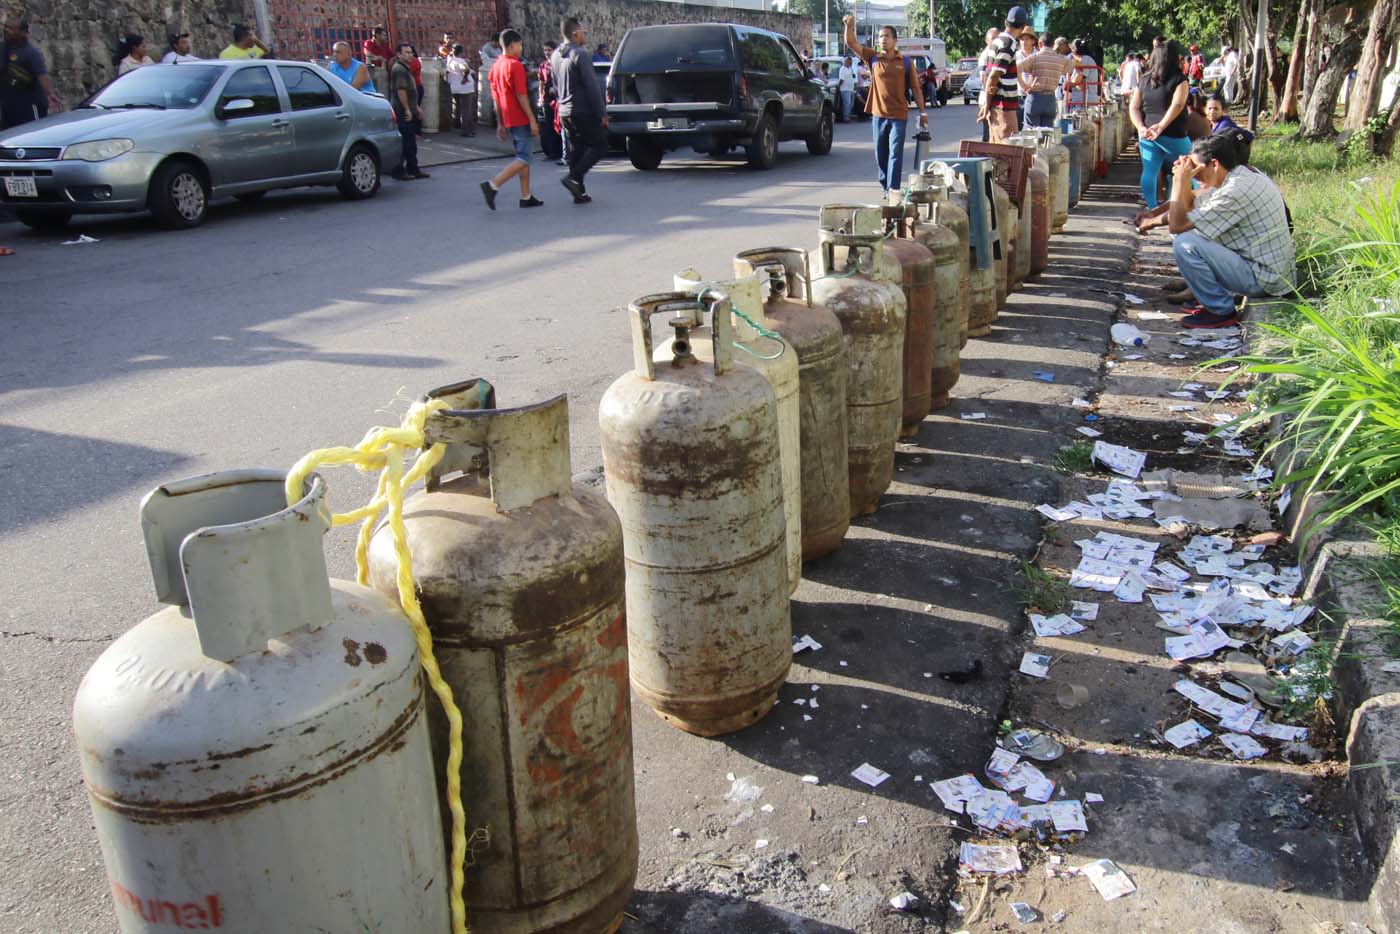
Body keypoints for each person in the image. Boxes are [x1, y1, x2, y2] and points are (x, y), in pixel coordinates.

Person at [1162, 134, 1294, 327]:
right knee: (1192, 232)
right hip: (1269, 271)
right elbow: (1188, 207)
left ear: (1214, 164)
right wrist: (1183, 177)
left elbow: (1177, 224)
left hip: (1265, 280)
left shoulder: (1234, 191)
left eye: (1197, 172)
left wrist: (1179, 180)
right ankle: (1213, 298)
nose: (1195, 178)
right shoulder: (1239, 175)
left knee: (1185, 243)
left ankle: (1220, 310)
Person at [842, 14, 928, 195]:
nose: (883, 39)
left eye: (887, 36)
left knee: (895, 154)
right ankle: (885, 184)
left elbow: (916, 88)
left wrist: (922, 113)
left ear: (895, 40)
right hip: (878, 115)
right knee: (881, 155)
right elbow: (851, 43)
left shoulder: (905, 62)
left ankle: (893, 189)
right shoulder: (872, 58)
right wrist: (849, 25)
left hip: (899, 115)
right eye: (880, 36)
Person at [481, 29, 541, 210]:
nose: (521, 48)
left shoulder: (496, 67)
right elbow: (522, 95)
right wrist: (532, 120)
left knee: (523, 157)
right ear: (512, 45)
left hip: (508, 117)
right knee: (524, 157)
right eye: (520, 45)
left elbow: (496, 98)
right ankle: (493, 185)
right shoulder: (514, 65)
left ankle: (526, 195)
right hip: (520, 117)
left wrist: (500, 123)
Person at [1131, 39, 1191, 208]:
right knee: (1191, 168)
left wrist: (1141, 128)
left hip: (1148, 135)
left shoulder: (1143, 80)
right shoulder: (1180, 79)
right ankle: (1192, 204)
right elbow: (1177, 105)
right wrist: (1162, 126)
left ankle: (1152, 207)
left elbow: (1134, 108)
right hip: (1174, 134)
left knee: (1149, 171)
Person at [554, 18, 607, 205]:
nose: (584, 35)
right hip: (582, 110)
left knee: (577, 149)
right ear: (575, 34)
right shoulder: (580, 54)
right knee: (600, 146)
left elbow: (555, 84)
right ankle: (574, 177)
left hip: (564, 111)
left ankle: (579, 191)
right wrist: (602, 113)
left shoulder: (555, 55)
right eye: (583, 31)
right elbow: (591, 87)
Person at [1, 15, 61, 130]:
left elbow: (42, 76)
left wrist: (50, 94)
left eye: (11, 28)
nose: (6, 30)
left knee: (32, 136)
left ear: (23, 32)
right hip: (8, 108)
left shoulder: (31, 53)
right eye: (5, 27)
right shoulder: (2, 49)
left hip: (30, 107)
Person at [980, 7, 1029, 143]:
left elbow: (988, 74)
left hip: (997, 106)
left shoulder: (996, 42)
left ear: (1005, 22)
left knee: (996, 150)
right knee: (1007, 152)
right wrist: (986, 105)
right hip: (1004, 107)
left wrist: (987, 103)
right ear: (1023, 27)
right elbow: (994, 75)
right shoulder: (1009, 44)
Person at [388, 42, 428, 180]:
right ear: (399, 54)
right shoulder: (399, 69)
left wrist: (415, 107)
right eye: (406, 52)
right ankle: (399, 170)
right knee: (405, 142)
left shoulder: (406, 68)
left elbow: (411, 91)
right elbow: (401, 91)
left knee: (410, 141)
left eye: (411, 52)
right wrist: (407, 109)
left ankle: (413, 168)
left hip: (409, 108)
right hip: (402, 111)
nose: (410, 55)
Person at [1018, 35, 1070, 128]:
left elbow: (1016, 69)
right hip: (1050, 99)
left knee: (1031, 132)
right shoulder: (1060, 59)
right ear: (1053, 44)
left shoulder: (1035, 57)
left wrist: (1025, 86)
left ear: (1040, 44)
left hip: (1035, 98)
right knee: (1047, 134)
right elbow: (1075, 63)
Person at [445, 43, 476, 134]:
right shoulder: (461, 61)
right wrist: (465, 78)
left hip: (454, 87)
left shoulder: (450, 60)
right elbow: (465, 69)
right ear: (462, 52)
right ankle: (466, 130)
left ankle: (456, 124)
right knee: (466, 110)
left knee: (457, 107)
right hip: (465, 89)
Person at [536, 40, 560, 158]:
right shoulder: (543, 66)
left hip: (558, 100)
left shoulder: (559, 64)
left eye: (549, 50)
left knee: (558, 126)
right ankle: (551, 152)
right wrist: (540, 97)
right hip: (547, 100)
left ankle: (560, 152)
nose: (547, 52)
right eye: (545, 50)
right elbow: (541, 82)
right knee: (548, 126)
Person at [1064, 38, 1100, 110]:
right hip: (1083, 99)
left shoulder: (1084, 59)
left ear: (1073, 50)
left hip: (1085, 99)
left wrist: (1070, 82)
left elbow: (1078, 81)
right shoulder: (1085, 60)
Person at [835, 55, 857, 122]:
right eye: (848, 62)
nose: (850, 63)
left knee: (851, 104)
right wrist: (838, 87)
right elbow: (841, 79)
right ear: (845, 62)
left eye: (851, 62)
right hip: (845, 89)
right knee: (847, 103)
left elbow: (853, 77)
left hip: (851, 89)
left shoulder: (851, 68)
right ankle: (846, 118)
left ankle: (849, 115)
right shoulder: (842, 69)